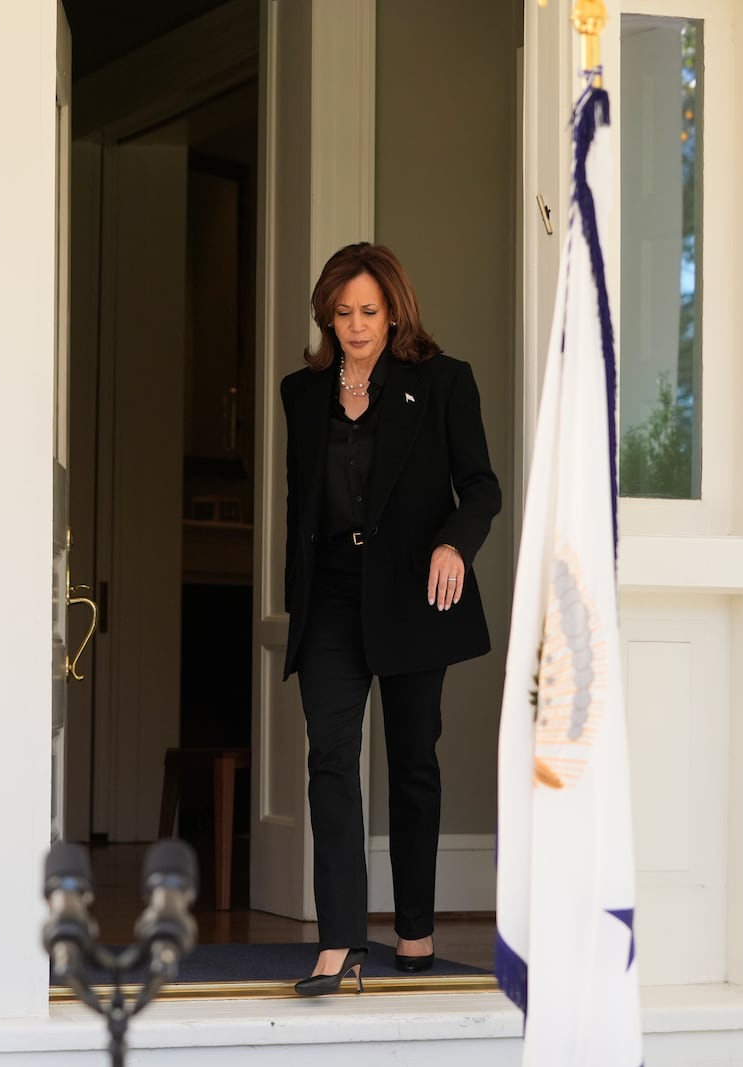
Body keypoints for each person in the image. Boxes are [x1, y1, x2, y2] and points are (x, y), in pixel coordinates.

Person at [281, 242, 501, 996]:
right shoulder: (301, 395)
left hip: (412, 593)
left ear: (395, 309)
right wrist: (297, 596)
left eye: (368, 311)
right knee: (331, 760)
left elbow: (480, 487)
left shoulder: (442, 383)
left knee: (412, 763)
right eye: (341, 312)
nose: (355, 325)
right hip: (333, 598)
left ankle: (414, 927)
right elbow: (298, 506)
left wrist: (454, 545)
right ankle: (339, 940)